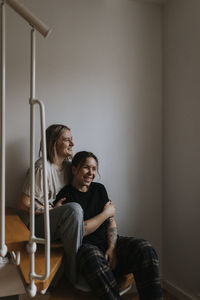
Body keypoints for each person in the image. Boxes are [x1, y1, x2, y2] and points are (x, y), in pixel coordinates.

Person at [55, 151, 163, 300]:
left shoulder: (99, 189)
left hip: (108, 244)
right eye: (86, 167)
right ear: (74, 169)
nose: (91, 173)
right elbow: (79, 231)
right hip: (86, 249)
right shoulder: (66, 196)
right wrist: (105, 213)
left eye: (94, 169)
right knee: (92, 256)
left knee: (145, 248)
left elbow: (111, 222)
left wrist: (112, 248)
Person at [18, 124, 115, 289]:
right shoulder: (42, 168)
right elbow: (23, 203)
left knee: (75, 210)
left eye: (72, 139)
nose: (72, 144)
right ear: (54, 143)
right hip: (38, 223)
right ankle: (73, 275)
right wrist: (51, 210)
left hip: (60, 220)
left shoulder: (69, 167)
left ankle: (88, 267)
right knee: (74, 209)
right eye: (67, 140)